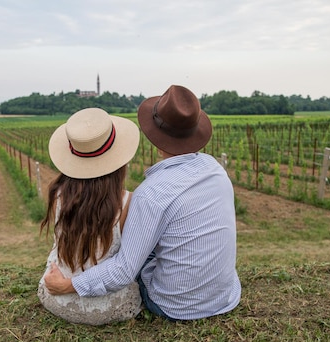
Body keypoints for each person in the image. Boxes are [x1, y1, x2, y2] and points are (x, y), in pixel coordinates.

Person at [44, 85, 241, 321]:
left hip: (174, 307)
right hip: (225, 296)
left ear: (154, 138)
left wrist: (67, 286)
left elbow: (124, 271)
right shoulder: (216, 170)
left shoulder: (150, 194)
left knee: (136, 249)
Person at [37, 107, 142, 325]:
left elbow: (57, 247)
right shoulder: (129, 202)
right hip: (111, 307)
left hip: (58, 299)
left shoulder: (58, 194)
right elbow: (128, 263)